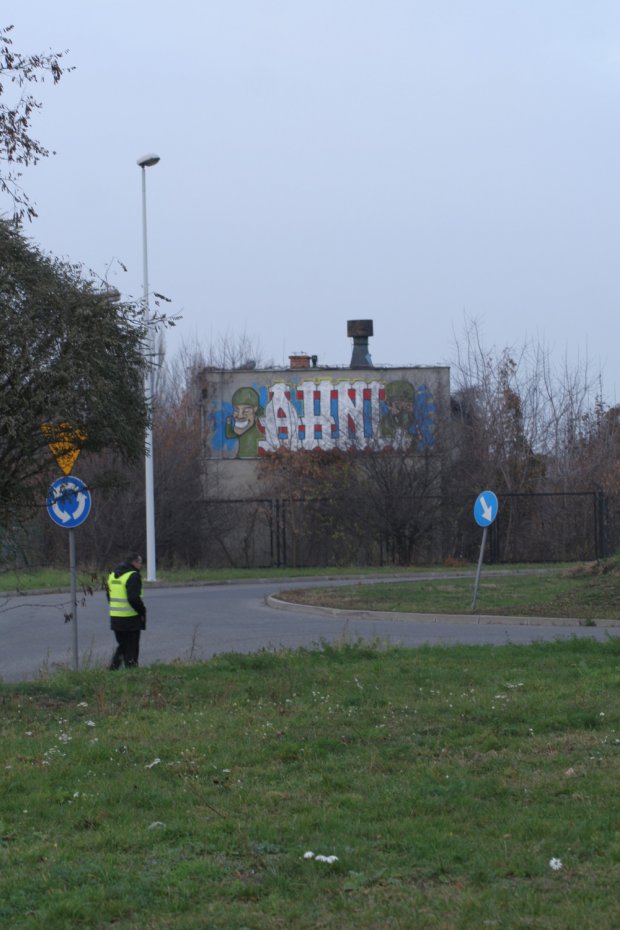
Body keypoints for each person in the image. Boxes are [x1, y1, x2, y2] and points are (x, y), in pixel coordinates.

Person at [106, 552, 147, 669]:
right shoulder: (133, 576)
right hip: (130, 618)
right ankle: (131, 672)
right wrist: (142, 611)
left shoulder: (113, 575)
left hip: (115, 617)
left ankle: (113, 669)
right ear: (134, 562)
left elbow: (109, 595)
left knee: (123, 646)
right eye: (140, 563)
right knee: (132, 648)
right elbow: (133, 598)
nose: (141, 565)